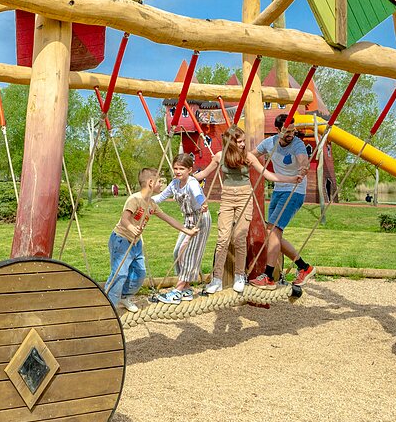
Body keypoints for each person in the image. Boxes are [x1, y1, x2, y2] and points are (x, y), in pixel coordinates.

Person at [196, 125, 303, 294]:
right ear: (230, 142)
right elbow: (203, 174)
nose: (243, 144)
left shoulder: (248, 157)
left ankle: (239, 276)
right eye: (239, 141)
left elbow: (267, 175)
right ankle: (216, 279)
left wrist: (291, 179)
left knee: (240, 238)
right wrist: (185, 176)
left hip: (245, 197)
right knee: (222, 239)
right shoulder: (219, 157)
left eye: (244, 141)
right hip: (227, 198)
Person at [249, 112, 314, 288]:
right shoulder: (269, 143)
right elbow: (251, 155)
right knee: (272, 233)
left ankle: (269, 277)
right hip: (279, 189)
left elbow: (303, 161)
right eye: (287, 132)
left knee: (273, 232)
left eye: (292, 131)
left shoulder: (298, 145)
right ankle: (304, 267)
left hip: (294, 191)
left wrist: (302, 170)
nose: (291, 135)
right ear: (277, 130)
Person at [149, 153, 212, 304]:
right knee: (178, 251)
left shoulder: (192, 183)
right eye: (176, 168)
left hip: (200, 221)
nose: (178, 171)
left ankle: (177, 290)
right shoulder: (174, 184)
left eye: (181, 169)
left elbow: (197, 195)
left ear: (189, 170)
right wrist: (145, 199)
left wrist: (203, 203)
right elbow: (160, 197)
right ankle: (186, 289)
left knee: (190, 255)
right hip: (188, 220)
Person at [105, 167, 161, 313]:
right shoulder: (134, 199)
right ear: (150, 182)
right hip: (121, 240)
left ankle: (124, 296)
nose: (161, 184)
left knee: (140, 272)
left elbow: (169, 219)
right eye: (159, 181)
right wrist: (132, 228)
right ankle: (108, 304)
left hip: (136, 242)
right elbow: (124, 219)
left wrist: (187, 230)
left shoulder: (152, 204)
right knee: (120, 273)